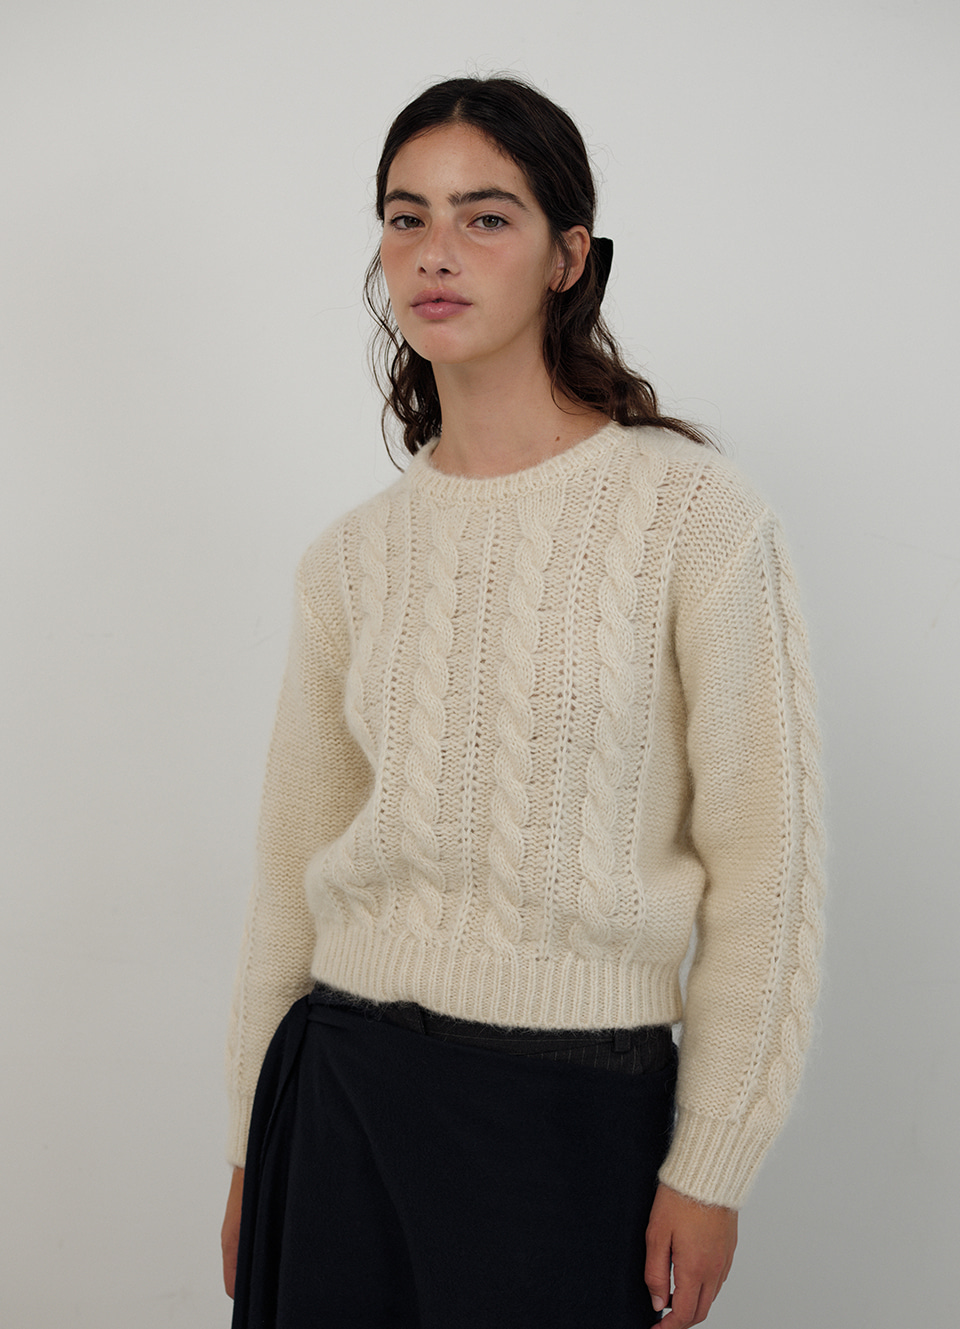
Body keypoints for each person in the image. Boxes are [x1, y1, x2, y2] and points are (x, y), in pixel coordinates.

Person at [221, 74, 824, 1329]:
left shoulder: (695, 519)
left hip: (571, 1117)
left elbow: (768, 864)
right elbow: (287, 875)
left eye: (485, 217)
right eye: (406, 217)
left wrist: (712, 1164)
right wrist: (247, 1150)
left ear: (568, 256)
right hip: (336, 1104)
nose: (435, 251)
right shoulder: (350, 559)